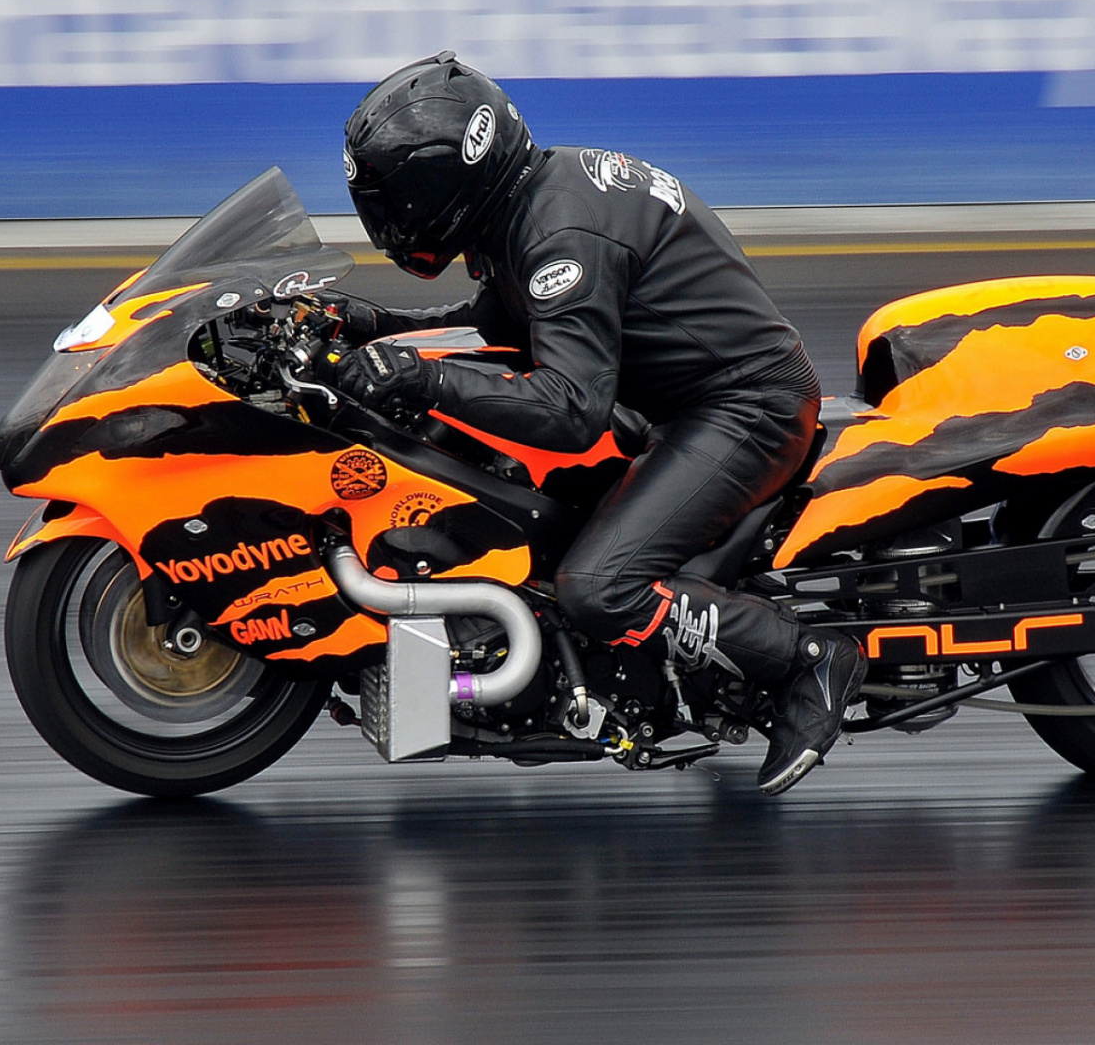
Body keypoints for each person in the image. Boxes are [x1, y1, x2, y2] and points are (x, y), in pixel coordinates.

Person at [327, 51, 864, 795]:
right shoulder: (532, 200)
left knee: (597, 588)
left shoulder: (560, 233)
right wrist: (374, 326)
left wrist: (420, 378)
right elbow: (501, 323)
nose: (389, 219)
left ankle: (807, 660)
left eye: (397, 196)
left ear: (448, 178)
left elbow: (572, 409)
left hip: (743, 410)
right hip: (674, 403)